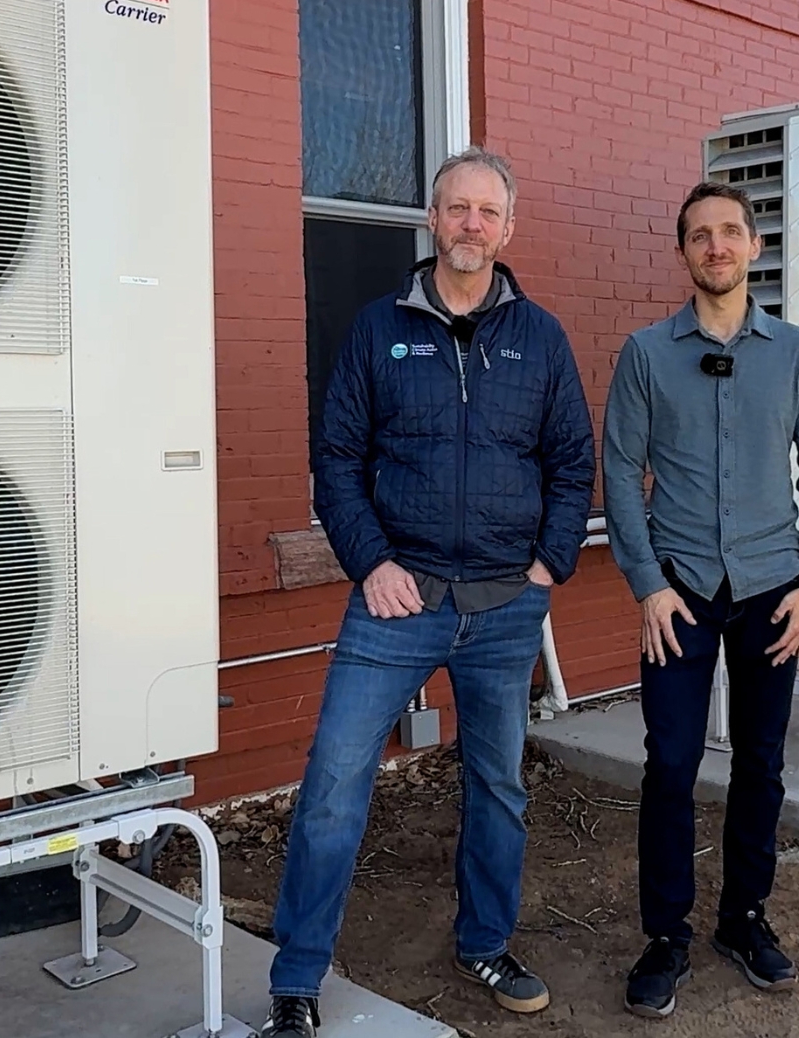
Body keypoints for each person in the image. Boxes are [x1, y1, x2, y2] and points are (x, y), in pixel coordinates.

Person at [259, 147, 596, 1038]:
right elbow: (337, 460)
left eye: (487, 212)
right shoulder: (377, 330)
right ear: (432, 220)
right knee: (335, 781)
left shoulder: (542, 339)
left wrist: (547, 565)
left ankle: (485, 941)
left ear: (508, 229)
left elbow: (571, 463)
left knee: (498, 783)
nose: (471, 225)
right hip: (392, 601)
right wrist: (371, 560)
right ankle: (297, 978)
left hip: (502, 608)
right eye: (456, 209)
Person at [600, 179, 799, 1017]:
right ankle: (665, 934)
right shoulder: (645, 353)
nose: (716, 246)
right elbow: (621, 475)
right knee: (669, 763)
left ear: (754, 247)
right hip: (680, 590)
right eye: (700, 235)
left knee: (761, 762)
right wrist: (646, 585)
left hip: (775, 590)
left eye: (730, 232)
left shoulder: (797, 352)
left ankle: (744, 917)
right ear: (683, 252)